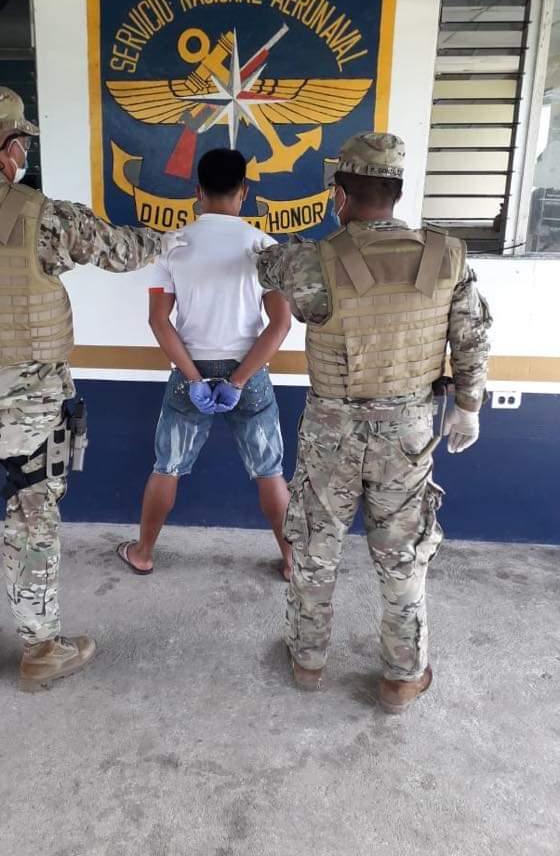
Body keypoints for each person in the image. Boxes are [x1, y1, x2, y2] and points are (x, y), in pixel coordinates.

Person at [0, 85, 183, 691]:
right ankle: (39, 648)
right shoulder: (43, 217)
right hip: (30, 414)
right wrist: (174, 239)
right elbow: (123, 252)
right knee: (31, 524)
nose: (24, 156)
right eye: (23, 146)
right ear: (10, 147)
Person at [257, 132, 492, 713]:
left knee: (315, 549)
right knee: (403, 555)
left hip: (331, 432)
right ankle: (402, 678)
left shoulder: (313, 260)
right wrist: (468, 406)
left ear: (340, 193)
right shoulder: (447, 256)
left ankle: (308, 661)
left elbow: (268, 267)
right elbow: (471, 338)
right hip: (408, 433)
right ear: (398, 191)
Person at [116, 148, 293, 579]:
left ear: (198, 192)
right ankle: (293, 561)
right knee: (269, 471)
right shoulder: (264, 246)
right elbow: (281, 324)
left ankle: (143, 553)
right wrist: (238, 380)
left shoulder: (173, 246)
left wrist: (194, 378)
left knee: (168, 466)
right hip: (249, 373)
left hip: (189, 370)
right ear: (244, 191)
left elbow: (159, 321)